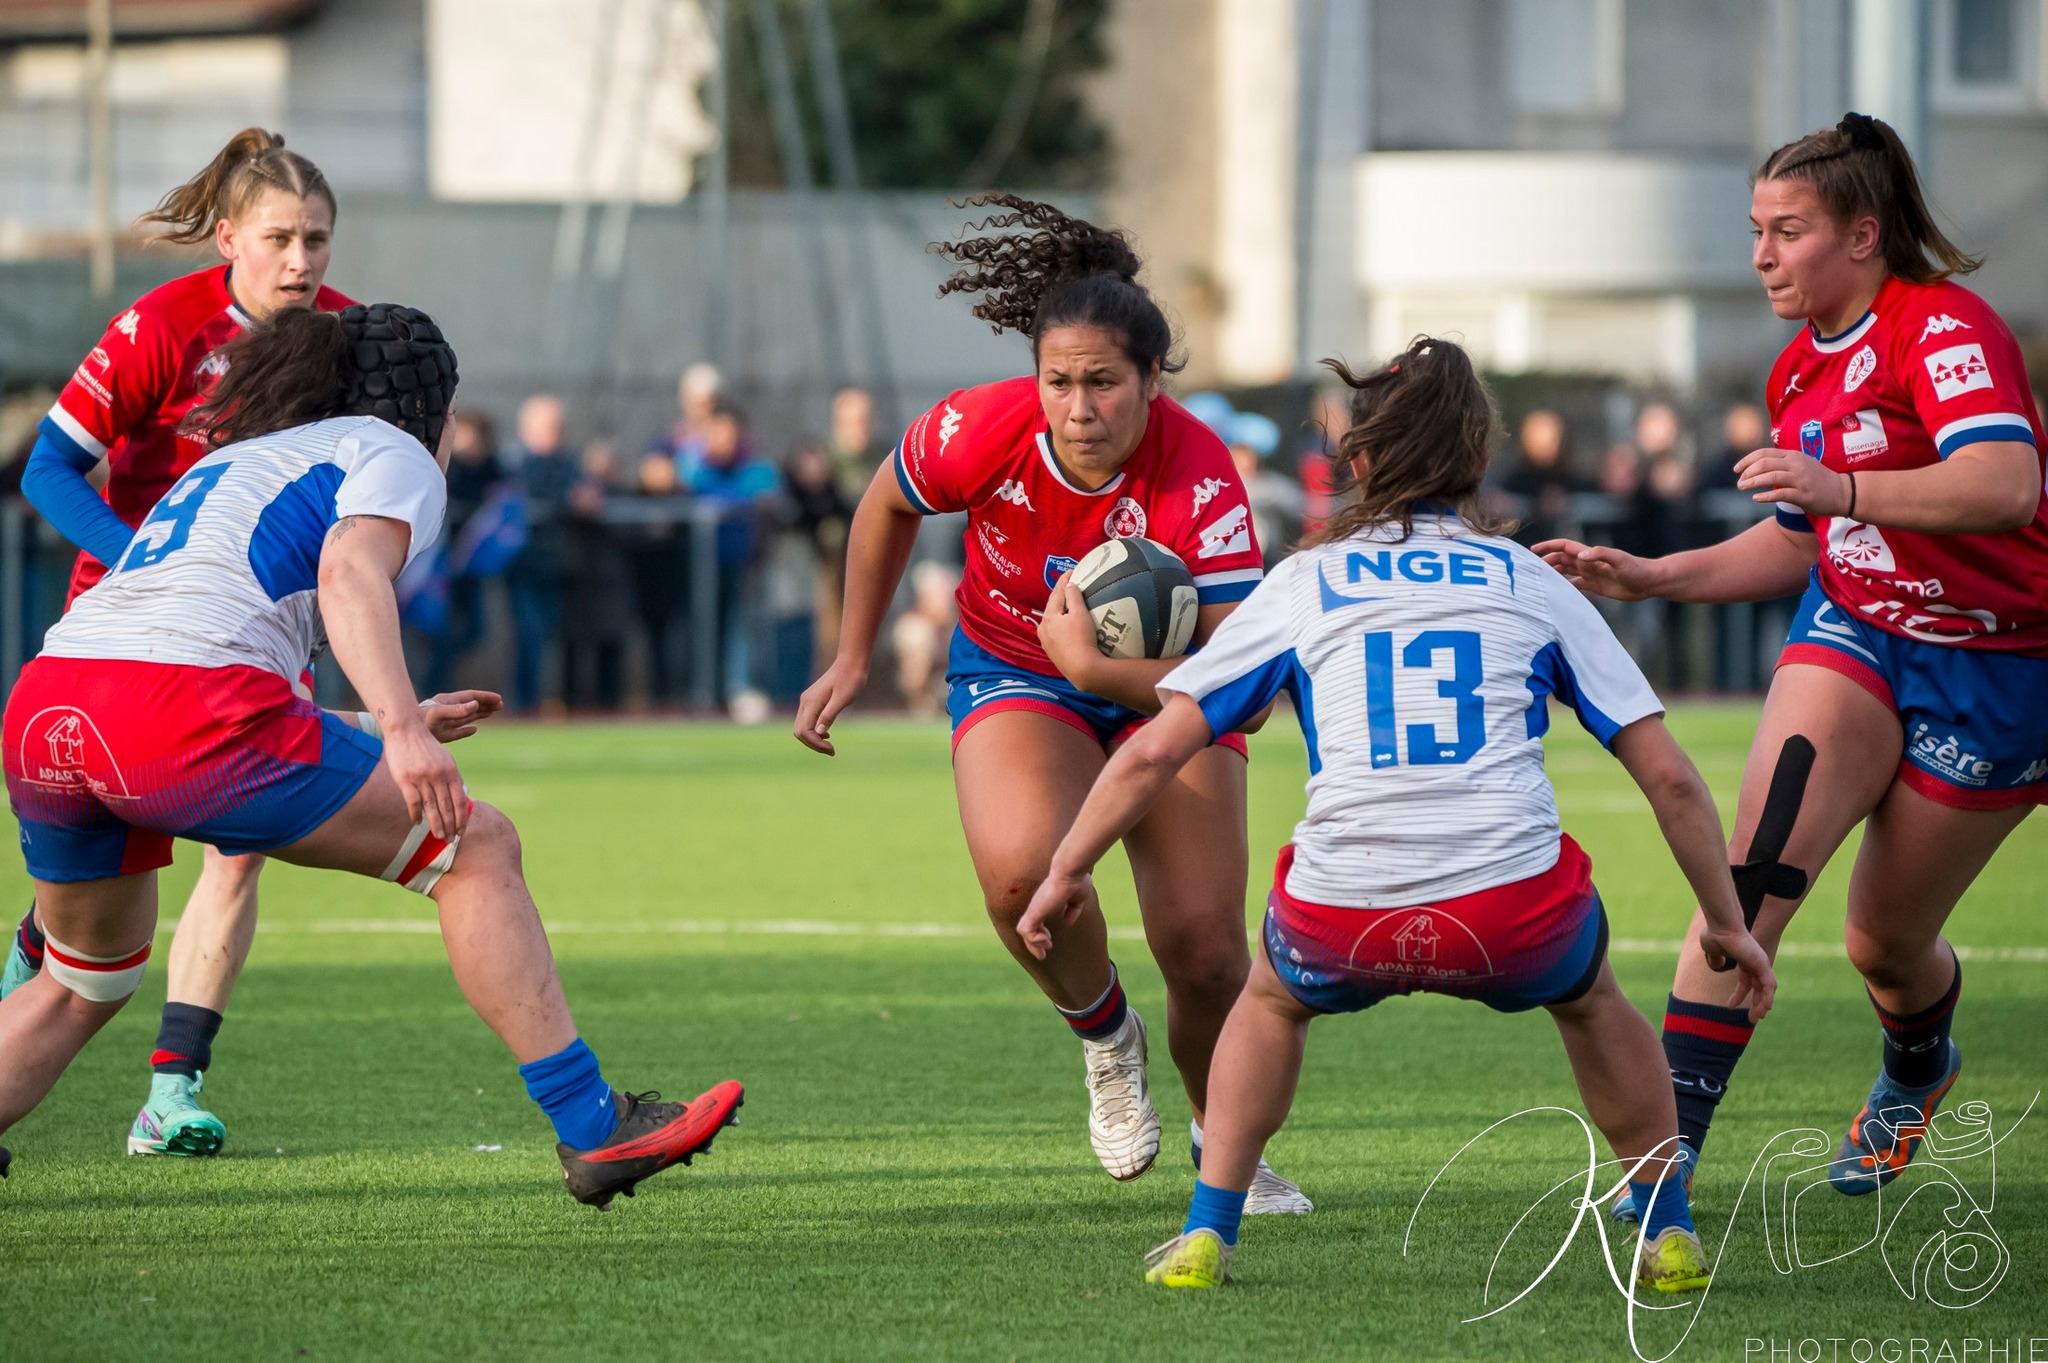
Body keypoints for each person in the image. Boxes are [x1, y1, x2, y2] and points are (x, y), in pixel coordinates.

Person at [1018, 337, 1777, 1293]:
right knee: (1592, 999)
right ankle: (1666, 1229)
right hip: (1514, 918)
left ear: (1360, 461)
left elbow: (1159, 747)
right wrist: (1725, 921)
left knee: (1269, 999)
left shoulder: (1301, 583)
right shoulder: (1531, 580)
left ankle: (1211, 1228)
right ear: (1476, 458)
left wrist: (1067, 867)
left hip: (1342, 914)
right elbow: (1668, 778)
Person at [0, 304, 743, 1203]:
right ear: (430, 405)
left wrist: (383, 716)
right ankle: (596, 1128)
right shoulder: (385, 450)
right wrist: (400, 729)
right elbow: (346, 576)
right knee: (476, 849)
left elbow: (213, 646)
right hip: (178, 705)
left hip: (50, 698)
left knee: (79, 983)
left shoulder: (233, 460)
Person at [1538, 113, 2048, 1217]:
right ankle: (1659, 1165)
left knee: (1882, 939)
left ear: (1861, 235)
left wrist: (1841, 492)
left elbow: (2003, 483)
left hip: (2002, 665)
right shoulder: (1795, 370)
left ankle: (1918, 1065)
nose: (1761, 254)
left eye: (1787, 230)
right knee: (1748, 874)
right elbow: (1801, 539)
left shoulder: (1940, 327)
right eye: (1755, 229)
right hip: (1858, 629)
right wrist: (1655, 575)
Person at [793, 195, 1309, 1213]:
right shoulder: (979, 427)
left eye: (1104, 383)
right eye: (1059, 382)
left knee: (1205, 948)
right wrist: (852, 654)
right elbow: (885, 501)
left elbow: (1240, 696)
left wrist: (1102, 672)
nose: (1077, 408)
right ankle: (1105, 1037)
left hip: (1174, 692)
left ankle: (1223, 1144)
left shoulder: (1200, 471)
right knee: (1023, 879)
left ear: (1151, 381)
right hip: (1015, 667)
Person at [1, 127, 356, 1160]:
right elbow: (49, 472)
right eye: (282, 238)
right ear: (228, 236)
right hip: (129, 630)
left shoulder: (345, 340)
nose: (302, 262)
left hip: (257, 627)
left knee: (240, 846)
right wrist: (143, 560)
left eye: (319, 241)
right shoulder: (163, 325)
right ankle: (31, 964)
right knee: (93, 895)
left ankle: (172, 1091)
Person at [681, 401, 779, 719]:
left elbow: (763, 491)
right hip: (695, 570)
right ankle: (699, 693)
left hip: (742, 563)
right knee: (700, 628)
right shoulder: (692, 465)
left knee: (742, 629)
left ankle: (739, 689)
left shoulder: (756, 469)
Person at [503, 394, 579, 714]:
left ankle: (537, 701)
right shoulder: (513, 461)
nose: (556, 434)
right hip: (522, 564)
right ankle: (524, 704)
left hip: (557, 565)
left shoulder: (568, 462)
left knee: (549, 636)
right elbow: (530, 495)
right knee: (530, 635)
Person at [423, 410, 506, 696]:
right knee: (439, 632)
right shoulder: (449, 468)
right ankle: (434, 685)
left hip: (471, 569)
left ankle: (439, 675)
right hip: (440, 569)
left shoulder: (493, 470)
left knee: (475, 632)